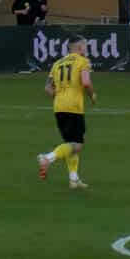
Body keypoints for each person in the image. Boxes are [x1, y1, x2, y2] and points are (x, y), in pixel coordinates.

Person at [36, 35, 95, 190]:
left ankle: (73, 180)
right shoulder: (83, 61)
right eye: (85, 46)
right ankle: (47, 158)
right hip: (74, 107)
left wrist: (60, 96)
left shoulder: (57, 63)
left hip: (59, 106)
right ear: (80, 47)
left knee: (70, 143)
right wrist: (92, 95)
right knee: (77, 145)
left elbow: (47, 88)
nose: (86, 49)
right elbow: (86, 82)